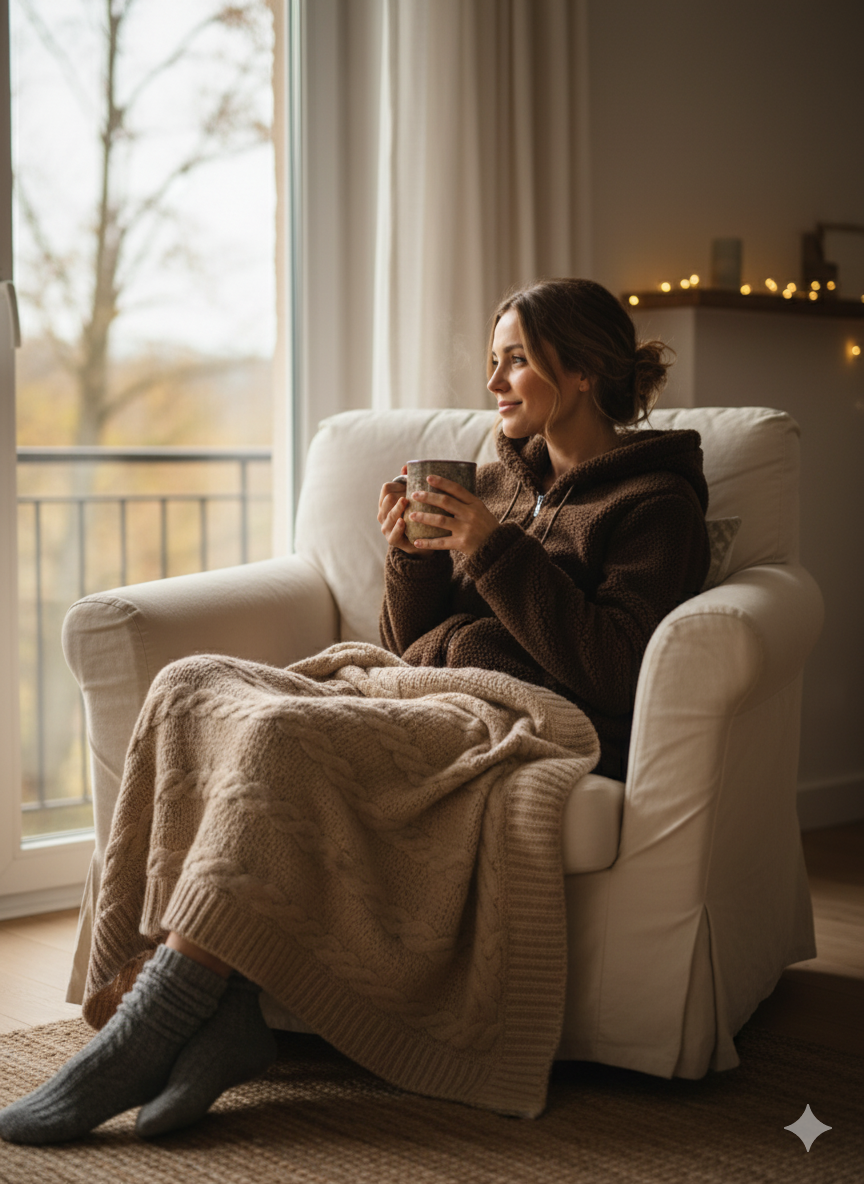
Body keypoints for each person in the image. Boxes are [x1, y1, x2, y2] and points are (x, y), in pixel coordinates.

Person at [0, 278, 709, 1146]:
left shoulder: (654, 505)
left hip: (519, 718)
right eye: (493, 362)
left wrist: (492, 548)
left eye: (516, 361)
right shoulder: (497, 479)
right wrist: (410, 557)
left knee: (279, 730)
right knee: (189, 684)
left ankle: (160, 1018)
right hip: (417, 687)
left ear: (587, 369)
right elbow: (410, 641)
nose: (493, 383)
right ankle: (213, 1008)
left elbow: (614, 665)